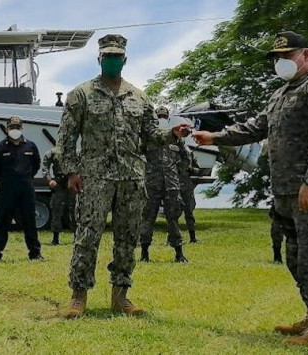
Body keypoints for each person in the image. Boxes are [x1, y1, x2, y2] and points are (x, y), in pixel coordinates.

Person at [193, 31, 308, 345]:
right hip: (285, 190)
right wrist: (215, 137)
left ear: (306, 54)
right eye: (277, 58)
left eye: (287, 56)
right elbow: (255, 128)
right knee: (295, 257)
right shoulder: (281, 94)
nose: (281, 62)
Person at [57, 34, 191, 319]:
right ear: (99, 59)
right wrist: (71, 171)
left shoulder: (139, 97)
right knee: (87, 236)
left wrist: (172, 134)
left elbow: (151, 136)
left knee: (128, 237)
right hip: (95, 178)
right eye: (107, 56)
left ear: (125, 60)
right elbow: (66, 137)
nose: (112, 60)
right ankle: (78, 296)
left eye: (117, 56)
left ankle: (121, 296)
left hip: (131, 178)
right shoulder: (81, 94)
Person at [0, 116, 42, 262]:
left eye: (17, 127)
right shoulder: (0, 147)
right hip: (7, 190)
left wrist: (25, 178)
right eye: (12, 127)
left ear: (22, 129)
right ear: (7, 129)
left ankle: (35, 253)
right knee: (2, 222)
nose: (15, 130)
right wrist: (6, 180)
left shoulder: (30, 146)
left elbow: (36, 165)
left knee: (30, 221)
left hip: (26, 189)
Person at [139, 108, 188, 263]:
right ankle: (147, 254)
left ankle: (176, 253)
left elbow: (186, 157)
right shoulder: (153, 137)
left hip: (164, 183)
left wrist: (177, 170)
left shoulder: (174, 138)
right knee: (152, 218)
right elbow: (187, 158)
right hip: (158, 183)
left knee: (165, 218)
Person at [41, 147, 74, 245]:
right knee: (56, 210)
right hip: (58, 184)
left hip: (71, 182)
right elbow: (45, 167)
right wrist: (49, 179)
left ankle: (77, 236)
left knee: (75, 210)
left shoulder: (74, 151)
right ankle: (55, 238)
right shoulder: (52, 152)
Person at [175, 137, 201, 244]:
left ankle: (192, 237)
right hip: (174, 184)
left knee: (189, 212)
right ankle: (172, 237)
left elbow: (198, 169)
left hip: (186, 185)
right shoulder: (172, 154)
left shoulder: (189, 153)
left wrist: (191, 170)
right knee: (173, 213)